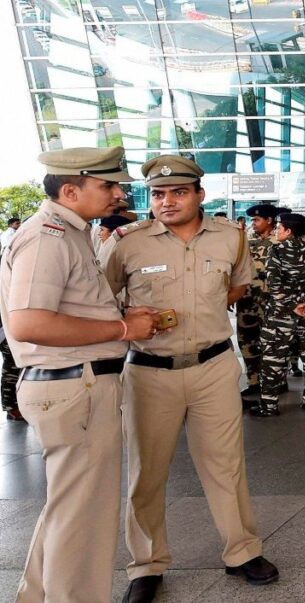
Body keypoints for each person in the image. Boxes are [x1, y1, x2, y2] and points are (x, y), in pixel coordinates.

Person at [105, 156, 279, 602]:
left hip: (213, 367)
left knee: (226, 465)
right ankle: (146, 564)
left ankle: (242, 551)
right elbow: (101, 300)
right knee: (146, 472)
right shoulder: (127, 243)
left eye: (179, 192)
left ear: (200, 195)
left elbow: (238, 286)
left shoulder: (231, 236)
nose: (167, 201)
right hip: (149, 372)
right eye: (158, 194)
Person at [0, 147, 161, 602]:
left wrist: (121, 318)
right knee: (84, 517)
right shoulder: (47, 238)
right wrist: (123, 329)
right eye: (107, 185)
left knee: (69, 508)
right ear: (70, 191)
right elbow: (29, 323)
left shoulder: (71, 232)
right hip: (75, 384)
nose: (118, 194)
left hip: (76, 381)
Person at [250, 212, 305, 416]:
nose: (277, 231)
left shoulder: (276, 250)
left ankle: (269, 405)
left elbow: (273, 284)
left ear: (288, 231)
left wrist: (293, 305)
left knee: (273, 359)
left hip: (281, 314)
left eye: (279, 228)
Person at [235, 204, 279, 401]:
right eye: (252, 220)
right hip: (247, 298)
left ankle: (275, 382)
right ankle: (254, 381)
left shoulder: (280, 239)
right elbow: (236, 266)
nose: (253, 223)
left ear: (269, 220)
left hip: (271, 300)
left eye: (257, 220)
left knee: (272, 342)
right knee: (247, 340)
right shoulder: (246, 239)